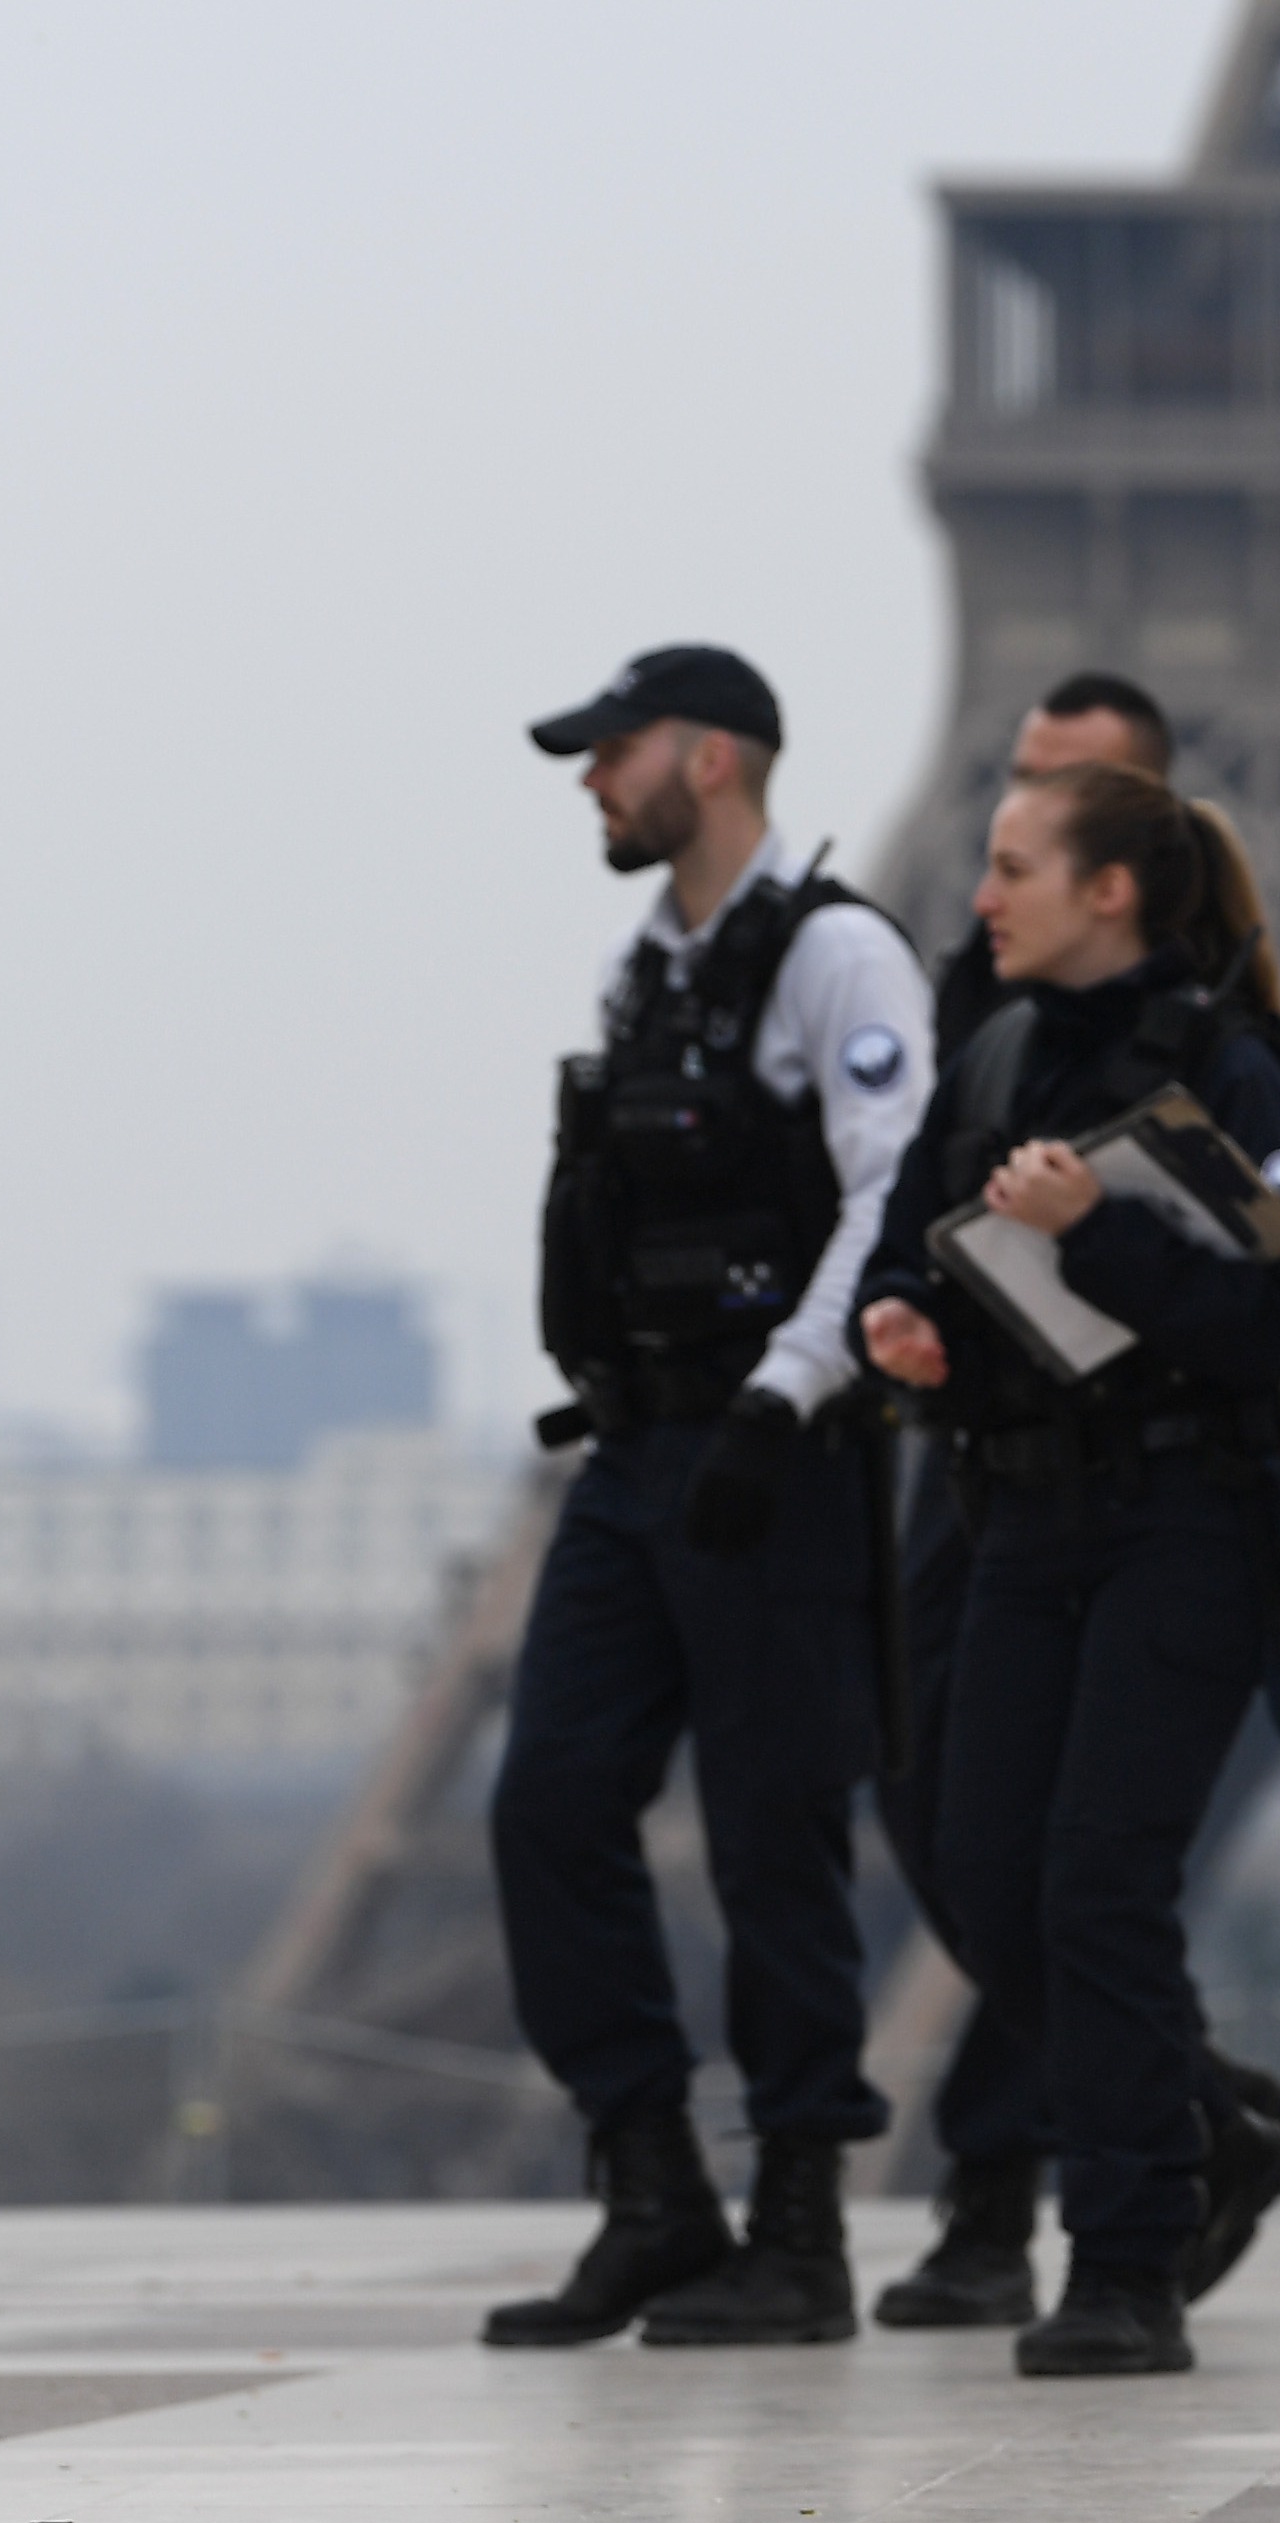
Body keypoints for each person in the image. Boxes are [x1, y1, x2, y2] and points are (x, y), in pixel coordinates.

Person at [864, 674, 1280, 2333]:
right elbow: (919, 1237)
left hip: (1179, 1527)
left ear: (1109, 889)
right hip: (1017, 1520)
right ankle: (1200, 2130)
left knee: (1098, 1884)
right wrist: (907, 1330)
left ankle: (1125, 2255)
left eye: (1012, 870)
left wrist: (1098, 1235)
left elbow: (1275, 1324)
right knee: (987, 1876)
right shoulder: (989, 1051)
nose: (978, 899)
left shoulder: (1240, 1071)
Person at [483, 645, 933, 2349]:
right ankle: (655, 2184)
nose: (593, 779)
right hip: (634, 1450)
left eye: (614, 749)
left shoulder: (837, 957)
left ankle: (801, 2228)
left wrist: (782, 1400)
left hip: (773, 1453)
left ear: (718, 756)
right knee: (548, 1800)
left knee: (772, 1837)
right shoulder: (644, 968)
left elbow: (889, 1203)